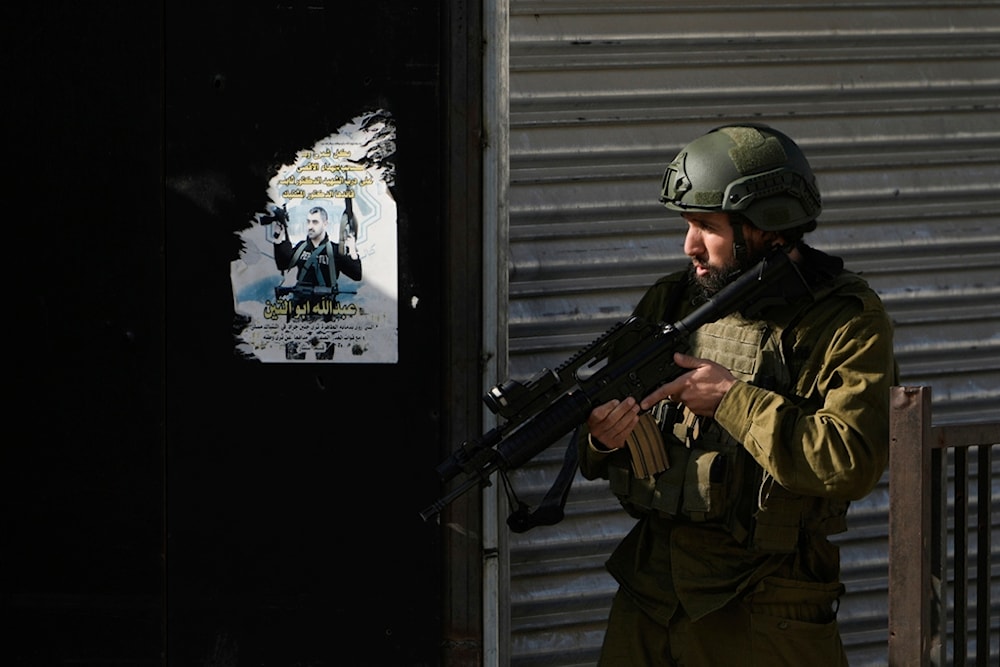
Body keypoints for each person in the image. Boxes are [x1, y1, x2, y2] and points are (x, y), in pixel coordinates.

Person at [578, 124, 898, 666]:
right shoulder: (673, 299)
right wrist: (603, 440)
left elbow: (851, 461)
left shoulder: (844, 321)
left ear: (766, 228)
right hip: (651, 593)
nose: (689, 246)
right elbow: (600, 445)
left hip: (766, 601)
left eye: (707, 226)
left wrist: (732, 399)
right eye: (687, 225)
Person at [272, 203, 362, 310]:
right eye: (308, 222)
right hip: (299, 307)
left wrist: (352, 250)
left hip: (325, 308)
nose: (310, 226)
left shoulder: (334, 250)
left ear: (325, 224)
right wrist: (278, 240)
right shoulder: (301, 247)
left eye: (315, 222)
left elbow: (356, 275)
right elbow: (283, 264)